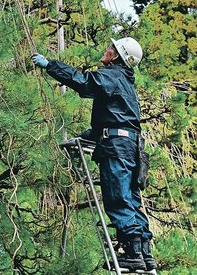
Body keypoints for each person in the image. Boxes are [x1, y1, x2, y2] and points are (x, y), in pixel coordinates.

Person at [32, 38, 157, 273]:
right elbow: (116, 118)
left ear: (118, 56)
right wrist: (88, 135)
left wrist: (51, 65)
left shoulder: (112, 76)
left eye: (111, 48)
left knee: (118, 198)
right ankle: (143, 253)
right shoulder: (126, 84)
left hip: (117, 148)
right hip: (131, 148)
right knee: (131, 200)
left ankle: (132, 254)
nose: (106, 50)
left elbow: (83, 82)